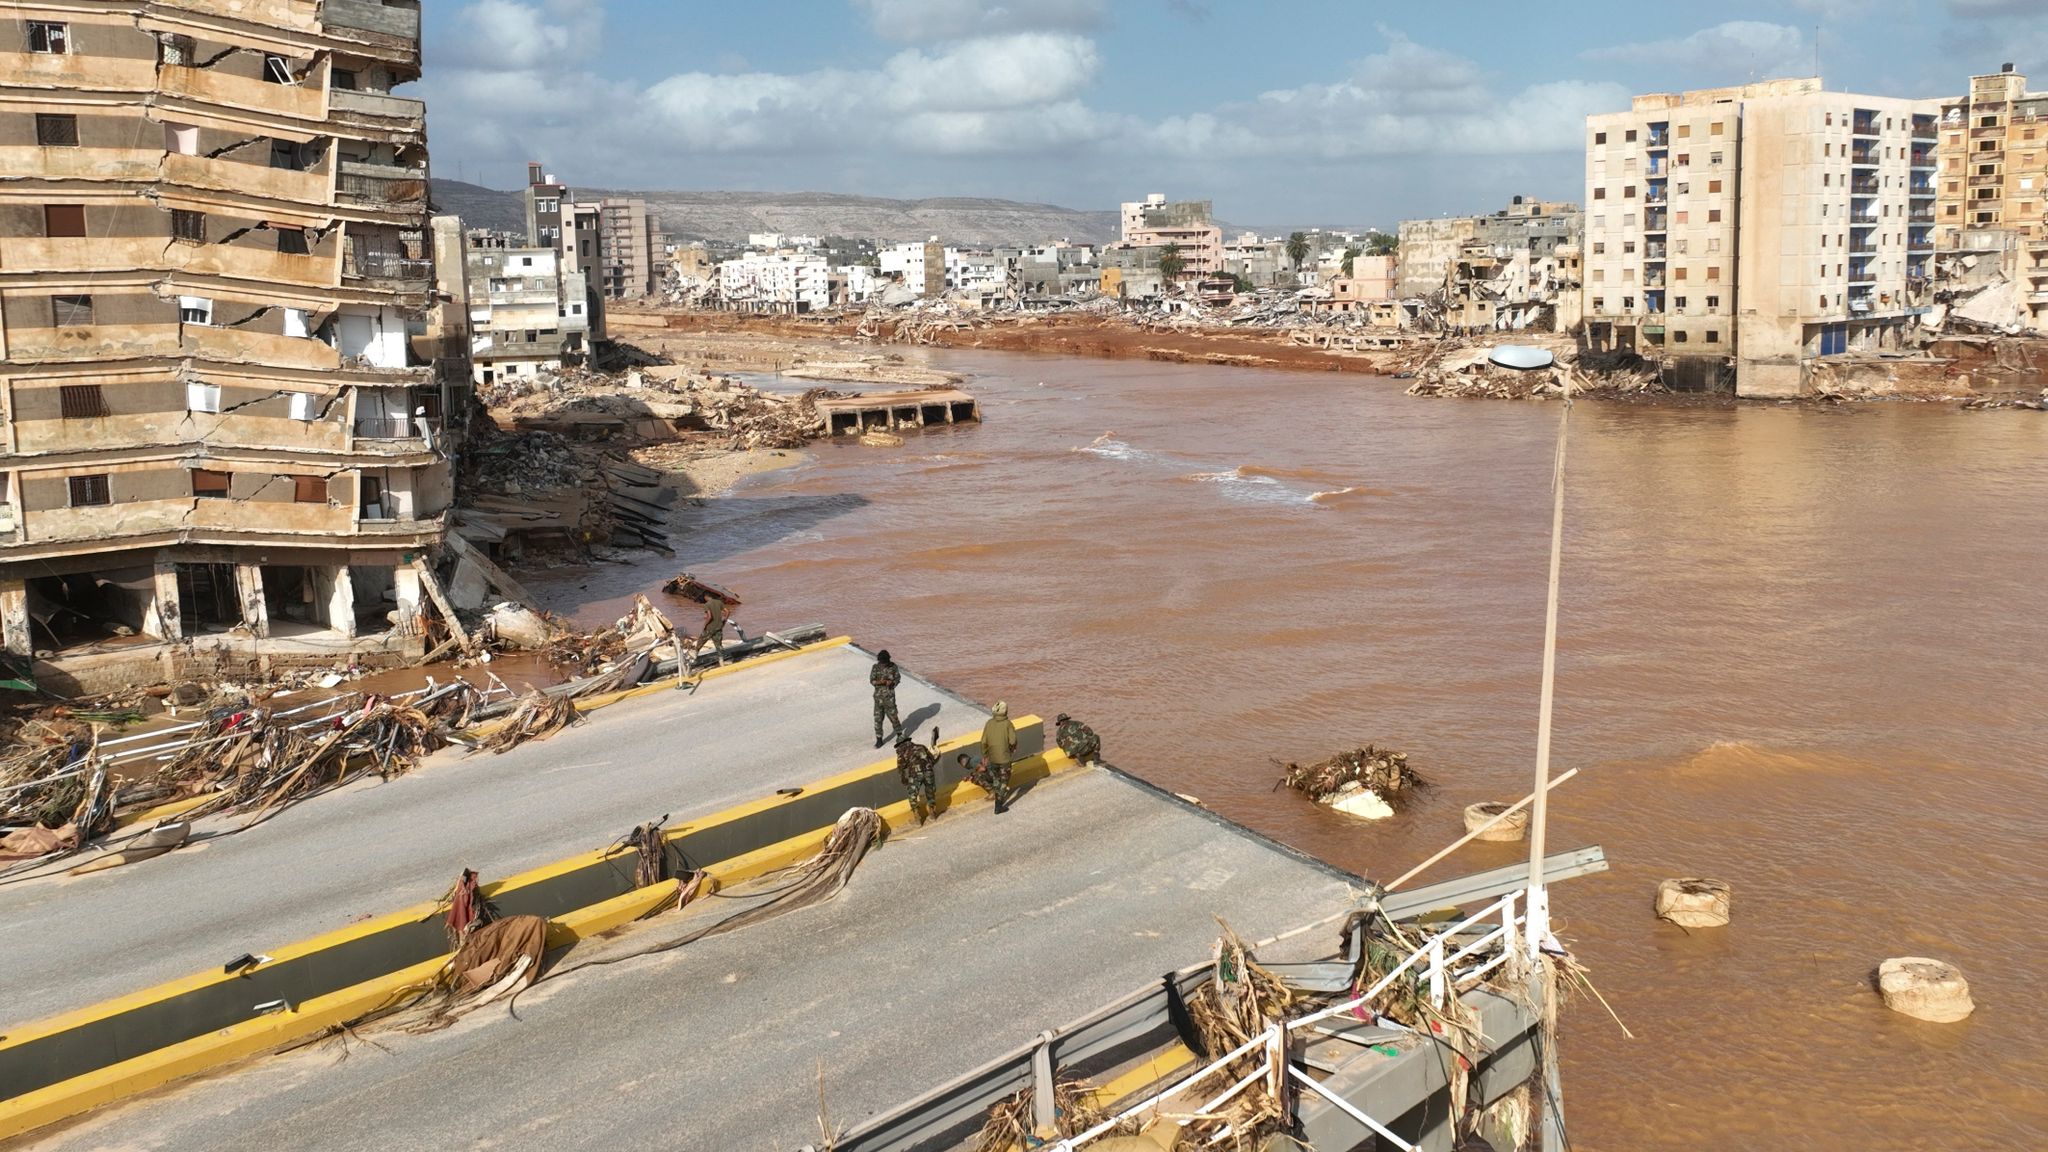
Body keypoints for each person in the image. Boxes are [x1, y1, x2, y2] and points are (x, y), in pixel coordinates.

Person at [979, 700, 1018, 814]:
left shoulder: (989, 723)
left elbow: (983, 742)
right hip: (1004, 759)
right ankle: (998, 805)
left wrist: (985, 755)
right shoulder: (1008, 724)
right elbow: (1013, 740)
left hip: (992, 758)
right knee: (1004, 782)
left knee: (996, 780)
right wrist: (1012, 749)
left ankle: (997, 798)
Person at [894, 730, 938, 825]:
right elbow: (932, 759)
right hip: (928, 772)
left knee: (912, 796)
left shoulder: (902, 753)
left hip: (915, 775)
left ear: (900, 744)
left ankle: (918, 819)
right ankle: (932, 813)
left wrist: (904, 780)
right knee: (930, 792)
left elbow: (901, 770)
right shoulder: (921, 747)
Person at [869, 650, 902, 748]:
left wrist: (892, 683)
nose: (883, 664)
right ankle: (879, 739)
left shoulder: (893, 667)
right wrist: (880, 682)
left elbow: (898, 678)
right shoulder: (875, 667)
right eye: (882, 662)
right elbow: (872, 680)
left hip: (889, 698)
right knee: (878, 719)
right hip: (878, 698)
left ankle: (900, 736)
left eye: (884, 662)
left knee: (894, 717)